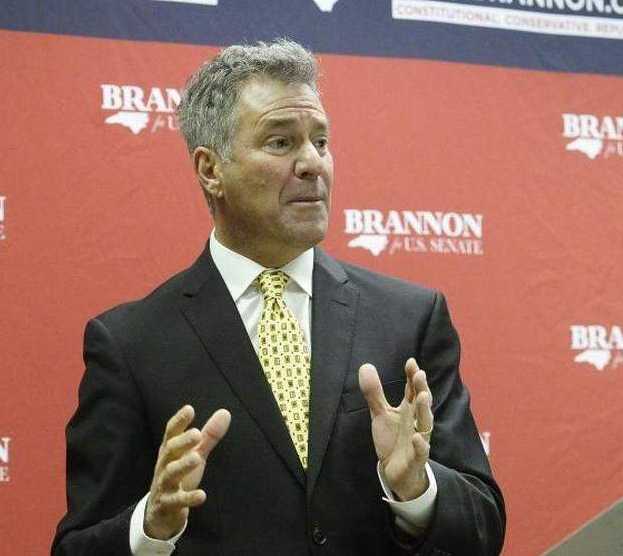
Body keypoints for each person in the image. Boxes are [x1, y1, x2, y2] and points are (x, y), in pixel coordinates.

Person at [52, 39, 504, 556]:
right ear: (210, 170)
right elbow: (77, 547)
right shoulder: (131, 345)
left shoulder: (410, 318)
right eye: (281, 143)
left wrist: (416, 490)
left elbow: (483, 530)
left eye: (321, 141)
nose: (314, 163)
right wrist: (150, 527)